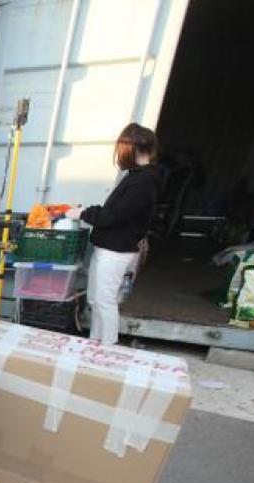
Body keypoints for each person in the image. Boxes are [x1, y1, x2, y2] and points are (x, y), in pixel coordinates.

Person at [68, 124, 163, 345]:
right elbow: (114, 213)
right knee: (95, 298)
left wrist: (82, 213)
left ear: (132, 147)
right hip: (108, 247)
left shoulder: (143, 181)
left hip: (116, 250)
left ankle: (108, 348)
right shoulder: (136, 177)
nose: (119, 153)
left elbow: (113, 216)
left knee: (105, 301)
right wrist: (87, 211)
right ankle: (95, 343)